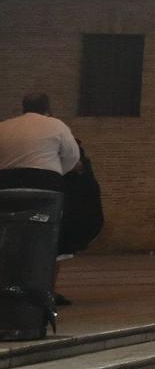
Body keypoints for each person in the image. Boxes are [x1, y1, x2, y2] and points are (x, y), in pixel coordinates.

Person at [0, 93, 84, 306]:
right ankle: (47, 292)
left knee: (8, 235)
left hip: (7, 184)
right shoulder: (55, 125)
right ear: (48, 107)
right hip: (45, 185)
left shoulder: (5, 126)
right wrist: (57, 172)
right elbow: (72, 157)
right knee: (49, 236)